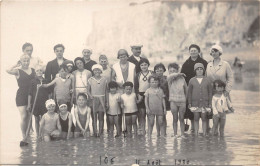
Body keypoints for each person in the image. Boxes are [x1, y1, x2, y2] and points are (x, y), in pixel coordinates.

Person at [6, 54, 36, 141]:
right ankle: (24, 135)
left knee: (30, 116)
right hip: (21, 95)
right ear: (21, 61)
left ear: (29, 61)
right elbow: (7, 70)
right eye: (24, 61)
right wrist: (16, 64)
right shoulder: (18, 71)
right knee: (24, 116)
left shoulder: (33, 70)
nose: (26, 62)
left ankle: (29, 133)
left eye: (27, 60)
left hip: (31, 95)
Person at [206, 44, 233, 133]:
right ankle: (214, 134)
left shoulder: (225, 64)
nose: (214, 53)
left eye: (216, 51)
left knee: (222, 114)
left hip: (222, 92)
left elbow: (230, 78)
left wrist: (227, 91)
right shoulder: (209, 65)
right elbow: (206, 78)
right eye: (212, 52)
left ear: (219, 52)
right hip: (211, 93)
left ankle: (221, 136)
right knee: (213, 114)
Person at [180, 44, 208, 133]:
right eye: (191, 51)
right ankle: (193, 127)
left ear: (198, 51)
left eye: (195, 50)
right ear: (189, 52)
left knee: (204, 106)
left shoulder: (204, 62)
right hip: (190, 88)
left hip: (202, 87)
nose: (193, 52)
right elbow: (182, 76)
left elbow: (207, 75)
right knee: (192, 107)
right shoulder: (186, 63)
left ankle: (206, 127)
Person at [187, 63, 212, 136]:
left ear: (203, 70)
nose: (199, 71)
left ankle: (204, 133)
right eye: (197, 69)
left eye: (201, 69)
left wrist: (210, 103)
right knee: (196, 117)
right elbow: (189, 93)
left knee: (204, 118)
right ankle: (196, 133)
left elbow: (210, 92)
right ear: (195, 71)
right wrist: (189, 103)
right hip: (195, 103)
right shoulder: (192, 80)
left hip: (205, 103)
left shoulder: (207, 80)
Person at [28, 65, 49, 137]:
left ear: (43, 72)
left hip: (44, 103)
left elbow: (49, 93)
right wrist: (28, 104)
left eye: (40, 70)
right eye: (37, 71)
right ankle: (37, 134)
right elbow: (30, 94)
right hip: (35, 103)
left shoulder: (46, 80)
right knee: (36, 119)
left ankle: (43, 133)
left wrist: (49, 102)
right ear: (35, 72)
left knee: (44, 119)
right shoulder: (32, 81)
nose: (39, 72)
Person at [167, 63, 187, 138]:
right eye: (170, 71)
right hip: (173, 101)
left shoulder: (182, 79)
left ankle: (182, 134)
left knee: (181, 118)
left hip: (182, 101)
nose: (172, 72)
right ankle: (175, 134)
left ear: (177, 70)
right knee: (174, 118)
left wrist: (186, 99)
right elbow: (171, 76)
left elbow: (186, 89)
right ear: (168, 72)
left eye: (174, 70)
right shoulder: (169, 79)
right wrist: (178, 73)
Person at [87, 64, 107, 137]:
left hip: (102, 98)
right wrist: (90, 96)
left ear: (101, 71)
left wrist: (106, 101)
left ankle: (101, 133)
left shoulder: (104, 79)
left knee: (101, 117)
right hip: (93, 99)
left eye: (98, 70)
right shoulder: (90, 79)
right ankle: (95, 133)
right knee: (94, 117)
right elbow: (87, 90)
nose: (97, 71)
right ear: (93, 71)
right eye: (95, 70)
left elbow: (106, 91)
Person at [134, 58, 153, 135]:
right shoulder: (138, 75)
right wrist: (138, 95)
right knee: (141, 113)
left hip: (150, 95)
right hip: (141, 95)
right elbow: (136, 86)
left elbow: (155, 84)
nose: (144, 66)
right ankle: (142, 129)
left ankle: (149, 130)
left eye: (145, 64)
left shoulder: (152, 73)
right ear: (140, 66)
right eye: (142, 65)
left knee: (149, 113)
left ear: (148, 65)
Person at [99, 54, 115, 132]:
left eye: (105, 61)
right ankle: (101, 131)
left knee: (109, 113)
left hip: (108, 93)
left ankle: (110, 130)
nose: (103, 63)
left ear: (107, 61)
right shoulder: (97, 70)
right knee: (101, 114)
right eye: (101, 61)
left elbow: (112, 81)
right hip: (100, 93)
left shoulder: (111, 70)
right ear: (99, 62)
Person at [154, 63, 168, 136]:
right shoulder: (153, 79)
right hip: (155, 100)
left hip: (164, 100)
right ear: (155, 71)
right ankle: (158, 133)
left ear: (164, 71)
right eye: (157, 71)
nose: (159, 72)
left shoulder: (166, 78)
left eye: (161, 70)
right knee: (157, 117)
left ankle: (164, 132)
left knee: (163, 117)